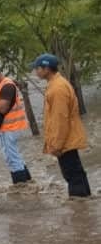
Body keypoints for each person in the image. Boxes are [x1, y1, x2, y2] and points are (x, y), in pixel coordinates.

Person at [34, 53, 91, 197]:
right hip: (67, 137)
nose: (36, 71)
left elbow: (61, 119)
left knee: (73, 175)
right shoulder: (56, 84)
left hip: (65, 139)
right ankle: (85, 206)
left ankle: (80, 210)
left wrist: (57, 145)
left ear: (46, 68)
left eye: (37, 68)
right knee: (75, 173)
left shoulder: (58, 88)